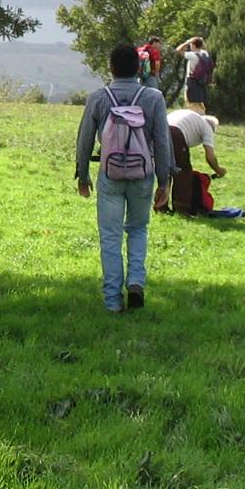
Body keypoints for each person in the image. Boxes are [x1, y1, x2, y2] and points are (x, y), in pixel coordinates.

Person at [75, 43, 174, 314]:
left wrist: (82, 175)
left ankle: (112, 301)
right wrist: (165, 181)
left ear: (111, 68)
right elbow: (163, 142)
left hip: (110, 174)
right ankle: (136, 281)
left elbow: (84, 139)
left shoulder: (98, 97)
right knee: (138, 229)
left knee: (110, 235)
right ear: (139, 68)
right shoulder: (153, 98)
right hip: (143, 175)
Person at [165, 108, 225, 214]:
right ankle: (182, 209)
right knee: (184, 172)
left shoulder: (194, 119)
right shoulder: (207, 128)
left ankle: (161, 207)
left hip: (160, 129)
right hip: (176, 133)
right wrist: (219, 170)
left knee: (165, 172)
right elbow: (210, 157)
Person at [175, 36, 212, 113]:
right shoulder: (204, 54)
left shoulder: (192, 55)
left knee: (190, 102)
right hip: (201, 81)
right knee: (199, 102)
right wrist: (201, 41)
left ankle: (194, 118)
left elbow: (178, 50)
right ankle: (202, 117)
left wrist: (187, 42)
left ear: (193, 45)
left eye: (191, 44)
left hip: (192, 82)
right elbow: (205, 49)